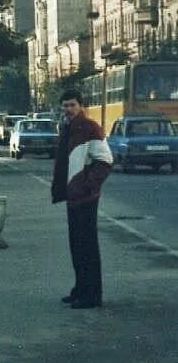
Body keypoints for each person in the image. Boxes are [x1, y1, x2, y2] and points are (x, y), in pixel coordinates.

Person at [51, 88, 113, 309]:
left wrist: (87, 185)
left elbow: (105, 161)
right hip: (73, 195)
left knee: (87, 247)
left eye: (72, 105)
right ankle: (80, 289)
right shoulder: (67, 128)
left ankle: (92, 295)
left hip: (85, 196)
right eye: (65, 105)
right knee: (76, 245)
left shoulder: (90, 128)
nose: (68, 109)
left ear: (81, 106)